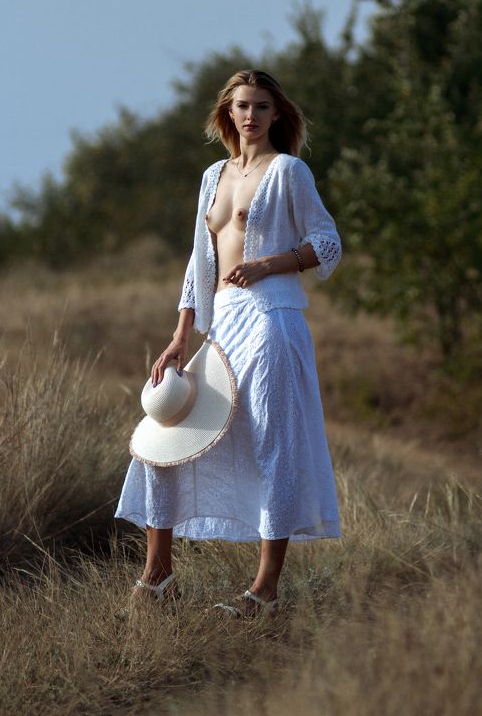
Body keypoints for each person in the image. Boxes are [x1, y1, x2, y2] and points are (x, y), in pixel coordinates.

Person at [115, 69, 342, 616]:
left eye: (262, 106)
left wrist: (268, 265)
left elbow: (327, 242)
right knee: (167, 433)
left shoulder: (288, 171)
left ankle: (264, 591)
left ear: (276, 113)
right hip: (220, 327)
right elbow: (199, 261)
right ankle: (158, 577)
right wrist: (179, 335)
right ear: (228, 112)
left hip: (271, 320)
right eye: (242, 105)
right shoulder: (213, 175)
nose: (251, 115)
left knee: (272, 444)